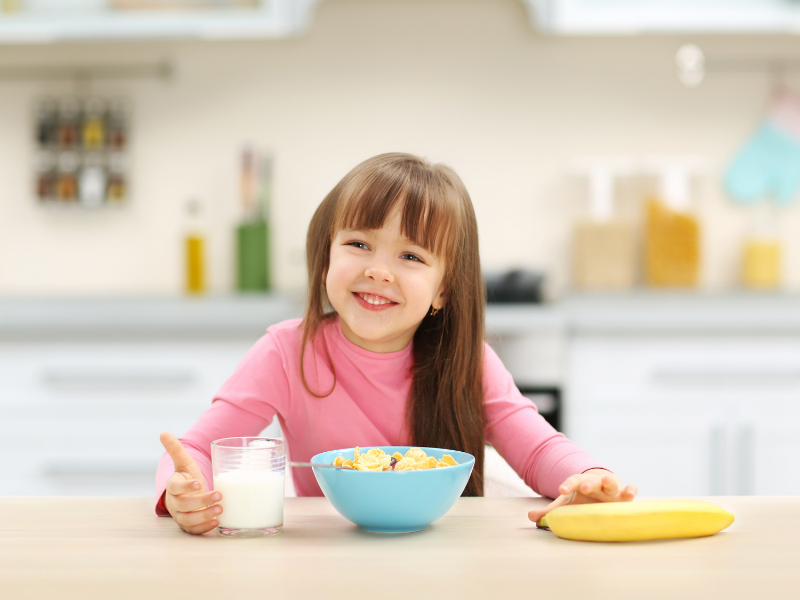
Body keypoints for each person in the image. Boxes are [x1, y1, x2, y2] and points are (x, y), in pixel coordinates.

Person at [156, 152, 637, 535]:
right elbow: (195, 449)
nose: (378, 271)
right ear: (326, 255)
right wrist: (184, 493)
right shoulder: (287, 352)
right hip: (328, 559)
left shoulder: (464, 362)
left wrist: (588, 478)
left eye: (410, 255)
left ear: (443, 290)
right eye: (358, 244)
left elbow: (536, 449)